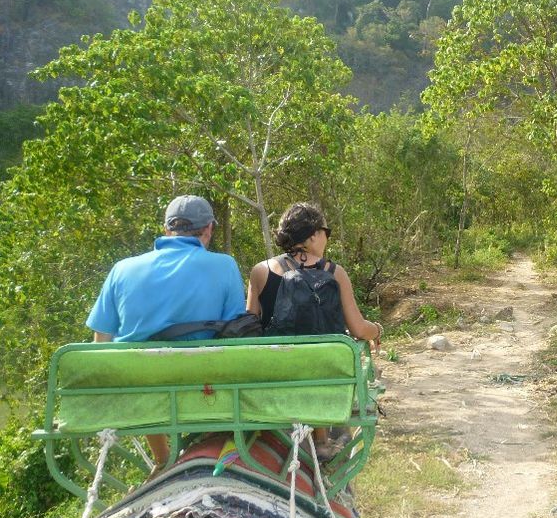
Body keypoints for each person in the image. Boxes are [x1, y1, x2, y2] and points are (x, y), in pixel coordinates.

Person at [87, 194, 247, 467]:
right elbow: (235, 335)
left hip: (140, 398)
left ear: (166, 229)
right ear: (208, 229)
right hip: (204, 390)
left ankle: (162, 460)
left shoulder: (121, 270)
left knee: (144, 377)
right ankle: (214, 444)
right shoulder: (225, 266)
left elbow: (101, 343)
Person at [246, 202, 382, 454]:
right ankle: (322, 438)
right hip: (322, 381)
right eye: (325, 232)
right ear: (312, 236)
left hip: (276, 376)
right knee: (320, 362)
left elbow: (250, 326)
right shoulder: (335, 273)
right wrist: (377, 330)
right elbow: (359, 329)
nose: (326, 238)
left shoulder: (260, 271)